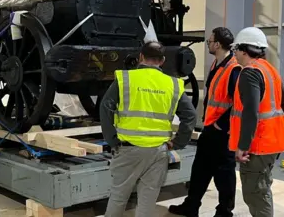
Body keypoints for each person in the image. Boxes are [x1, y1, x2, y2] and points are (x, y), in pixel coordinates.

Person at [100, 41, 197, 217]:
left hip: (128, 150)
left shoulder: (125, 79)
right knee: (147, 200)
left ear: (141, 57)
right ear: (163, 60)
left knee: (118, 198)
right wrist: (178, 143)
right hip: (158, 152)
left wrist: (111, 139)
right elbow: (190, 115)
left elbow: (105, 107)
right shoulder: (173, 84)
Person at [169, 27, 241, 217]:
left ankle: (224, 212)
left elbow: (238, 103)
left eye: (210, 41)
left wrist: (223, 125)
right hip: (210, 128)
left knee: (224, 174)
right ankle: (191, 205)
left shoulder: (234, 68)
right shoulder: (217, 64)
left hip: (222, 132)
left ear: (217, 44)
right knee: (200, 168)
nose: (208, 43)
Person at [230, 27, 284, 217]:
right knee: (261, 188)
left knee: (256, 193)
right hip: (271, 144)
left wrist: (243, 145)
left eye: (236, 50)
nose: (234, 55)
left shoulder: (250, 73)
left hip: (258, 146)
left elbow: (251, 111)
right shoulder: (268, 70)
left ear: (243, 50)